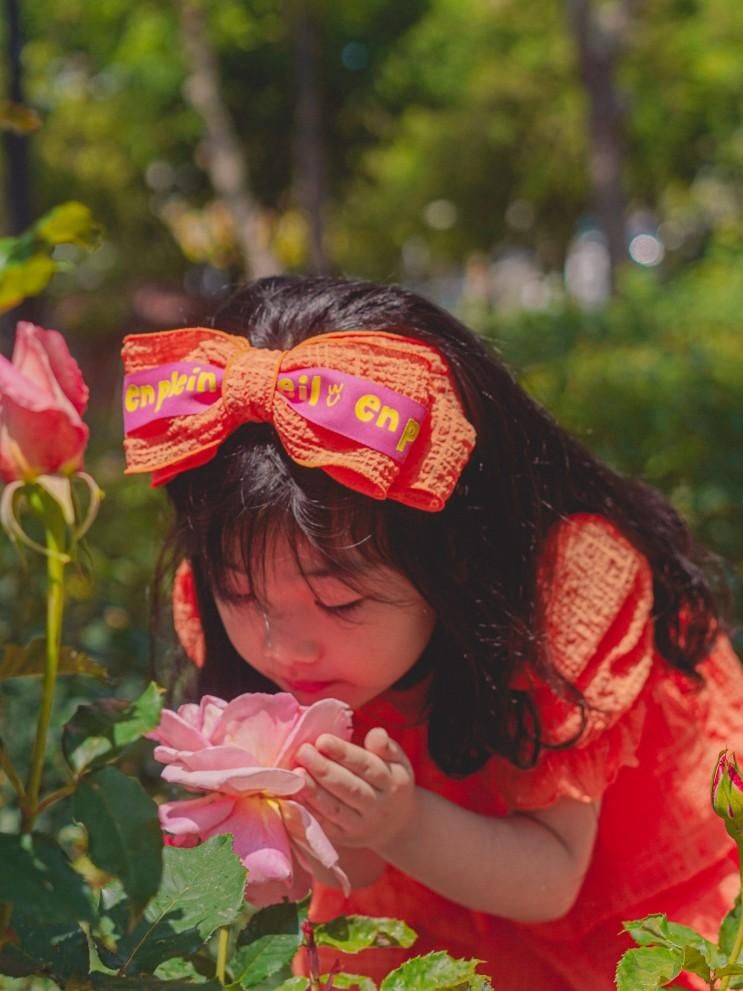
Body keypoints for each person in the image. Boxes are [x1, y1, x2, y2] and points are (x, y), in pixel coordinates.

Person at [122, 275, 743, 990]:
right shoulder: (258, 615)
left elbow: (551, 880)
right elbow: (354, 868)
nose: (283, 647)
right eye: (238, 589)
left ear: (454, 562)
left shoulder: (559, 600)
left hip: (611, 897)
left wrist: (401, 823)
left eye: (340, 600)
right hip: (425, 872)